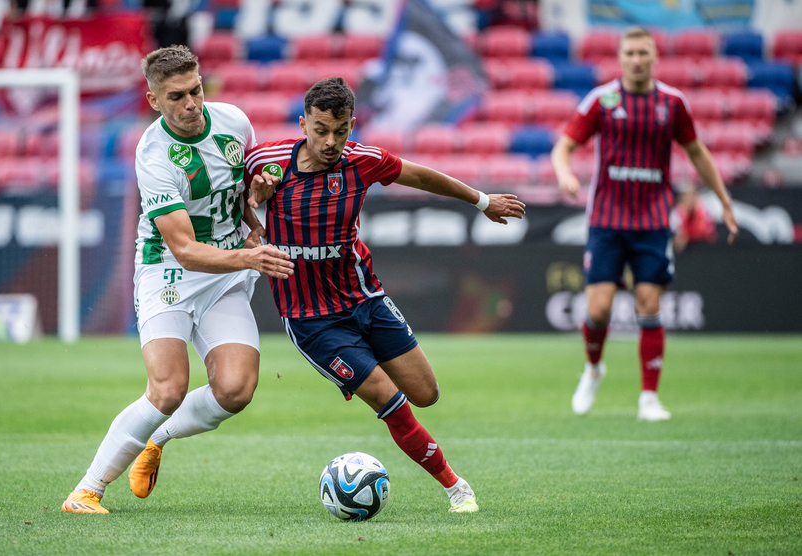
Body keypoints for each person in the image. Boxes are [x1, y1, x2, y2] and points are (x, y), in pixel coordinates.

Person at [244, 77, 526, 513]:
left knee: (426, 393)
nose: (331, 141)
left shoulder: (363, 161)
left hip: (366, 299)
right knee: (389, 400)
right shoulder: (266, 161)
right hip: (311, 319)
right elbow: (232, 200)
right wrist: (253, 216)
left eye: (341, 130)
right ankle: (457, 489)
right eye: (320, 130)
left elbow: (422, 176)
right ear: (303, 124)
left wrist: (482, 202)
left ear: (352, 125)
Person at [62, 45, 294, 514]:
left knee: (236, 390)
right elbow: (185, 249)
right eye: (176, 97)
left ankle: (157, 439)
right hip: (168, 270)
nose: (191, 104)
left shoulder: (234, 122)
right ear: (153, 100)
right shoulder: (153, 156)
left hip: (225, 272)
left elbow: (239, 191)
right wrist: (249, 258)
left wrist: (253, 216)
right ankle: (86, 490)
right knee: (168, 389)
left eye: (196, 90)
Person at [549, 27, 739, 422]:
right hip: (606, 220)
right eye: (630, 53)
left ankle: (649, 398)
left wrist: (723, 199)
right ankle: (593, 369)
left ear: (654, 57)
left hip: (653, 221)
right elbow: (564, 145)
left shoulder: (672, 103)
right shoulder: (602, 100)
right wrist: (564, 174)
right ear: (620, 57)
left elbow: (696, 151)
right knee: (598, 308)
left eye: (643, 53)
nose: (636, 59)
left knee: (650, 303)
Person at [672, 184, 717, 253]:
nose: (688, 200)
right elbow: (679, 243)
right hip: (688, 253)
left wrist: (689, 234)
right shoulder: (676, 214)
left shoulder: (705, 209)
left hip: (706, 251)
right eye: (685, 197)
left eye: (691, 196)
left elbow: (710, 235)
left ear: (696, 196)